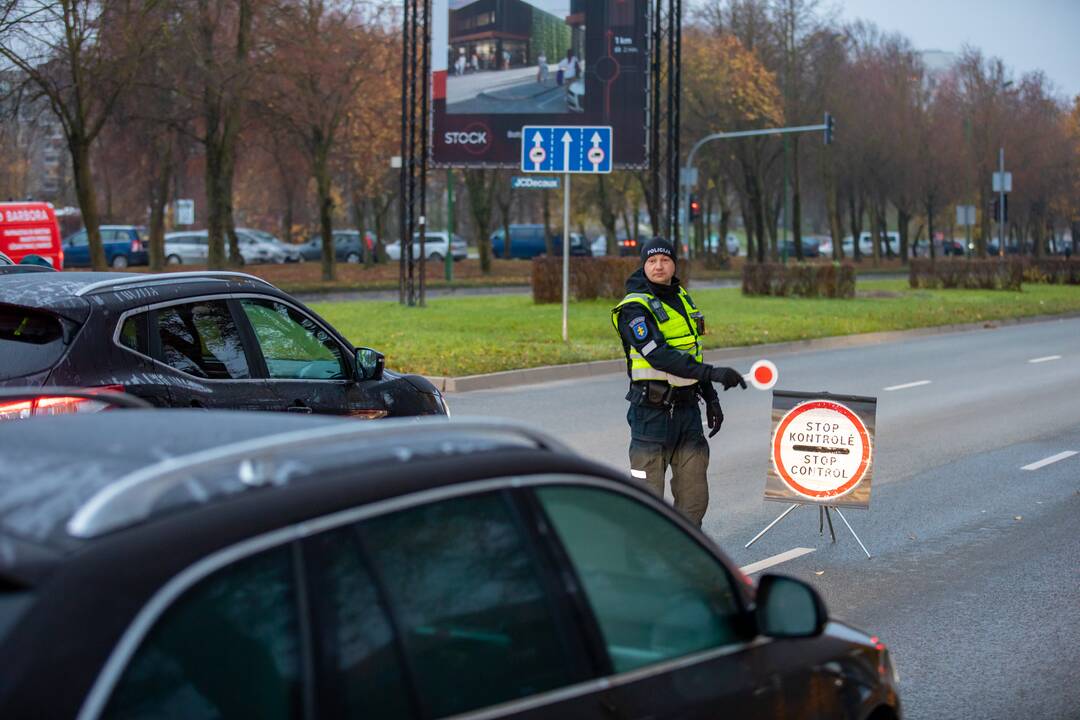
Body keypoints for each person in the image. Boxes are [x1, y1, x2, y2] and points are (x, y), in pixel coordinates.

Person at [611, 237, 747, 526]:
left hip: (687, 414)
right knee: (646, 504)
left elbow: (692, 352)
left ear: (674, 263)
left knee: (694, 500)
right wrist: (712, 373)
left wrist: (710, 397)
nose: (658, 266)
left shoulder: (683, 298)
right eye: (651, 261)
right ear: (643, 265)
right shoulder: (633, 309)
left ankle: (687, 562)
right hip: (650, 415)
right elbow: (659, 355)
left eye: (665, 260)